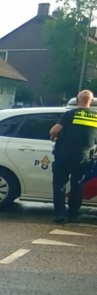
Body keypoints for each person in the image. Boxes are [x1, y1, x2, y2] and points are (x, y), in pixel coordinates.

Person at [50, 89, 97, 224]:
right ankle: (73, 214)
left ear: (77, 100)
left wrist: (53, 136)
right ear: (92, 101)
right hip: (83, 157)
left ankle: (60, 214)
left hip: (64, 155)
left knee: (59, 184)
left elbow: (54, 130)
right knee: (77, 185)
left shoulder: (69, 114)